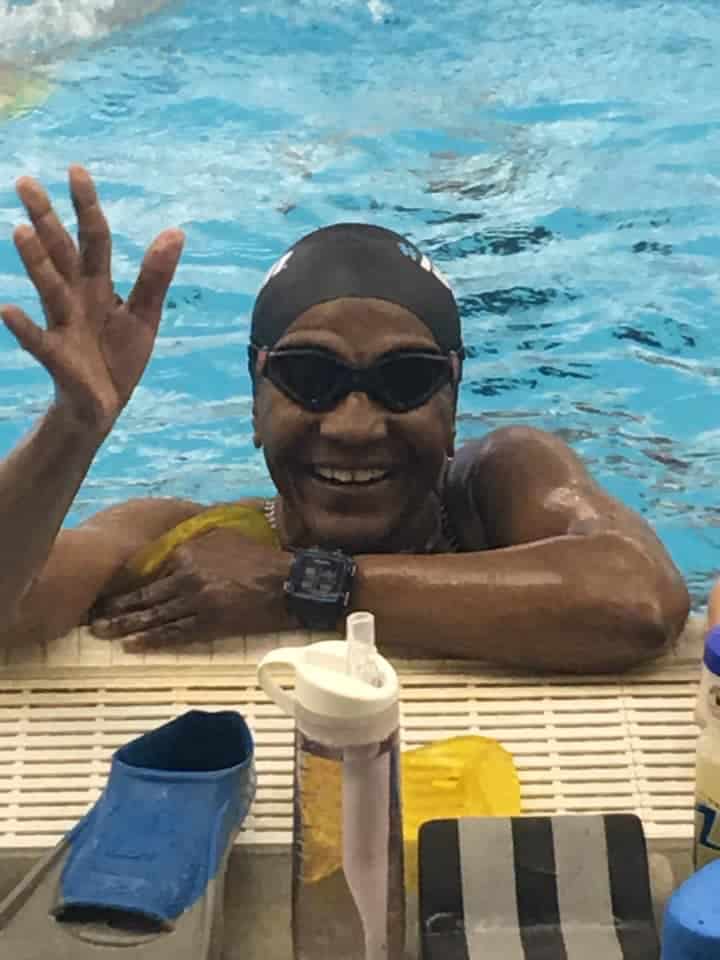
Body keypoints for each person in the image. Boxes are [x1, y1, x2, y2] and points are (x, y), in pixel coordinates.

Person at [0, 166, 689, 673]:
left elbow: (638, 599)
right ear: (254, 400)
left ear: (452, 404)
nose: (355, 426)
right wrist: (73, 428)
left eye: (405, 380)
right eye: (310, 378)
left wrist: (300, 585)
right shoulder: (180, 540)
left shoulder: (500, 487)